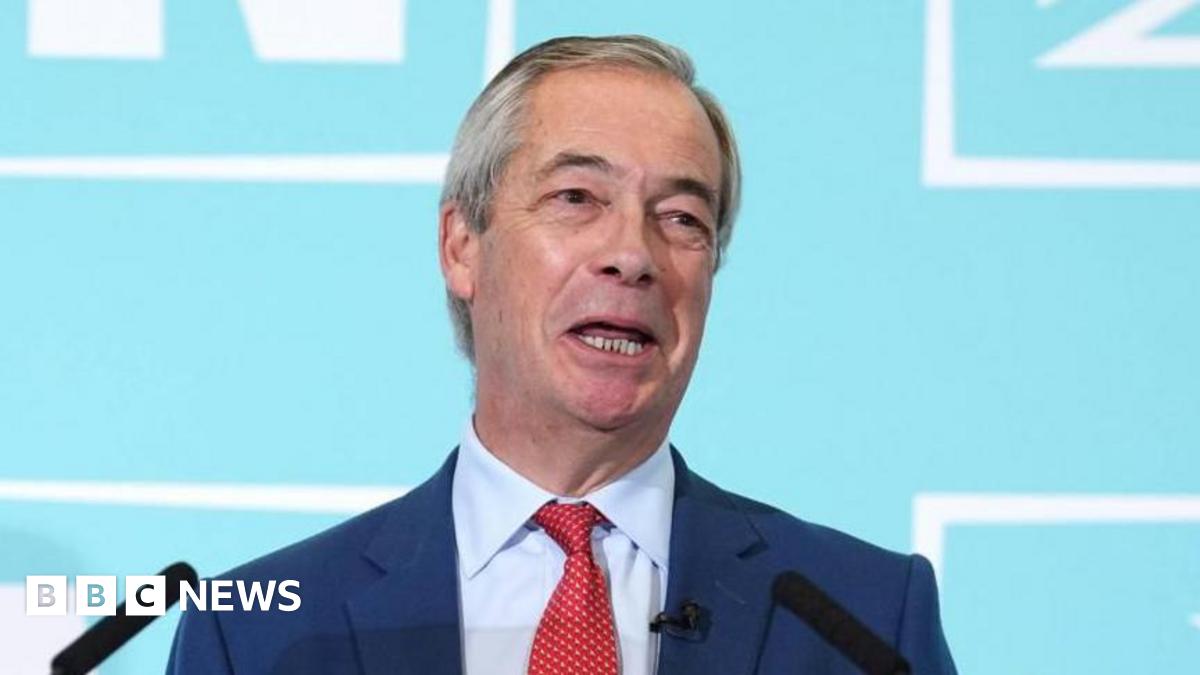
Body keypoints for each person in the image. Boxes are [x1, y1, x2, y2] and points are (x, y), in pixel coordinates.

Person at [166, 35, 957, 675]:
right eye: (577, 198)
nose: (632, 255)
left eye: (682, 218)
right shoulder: (259, 634)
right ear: (462, 245)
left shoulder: (865, 617)